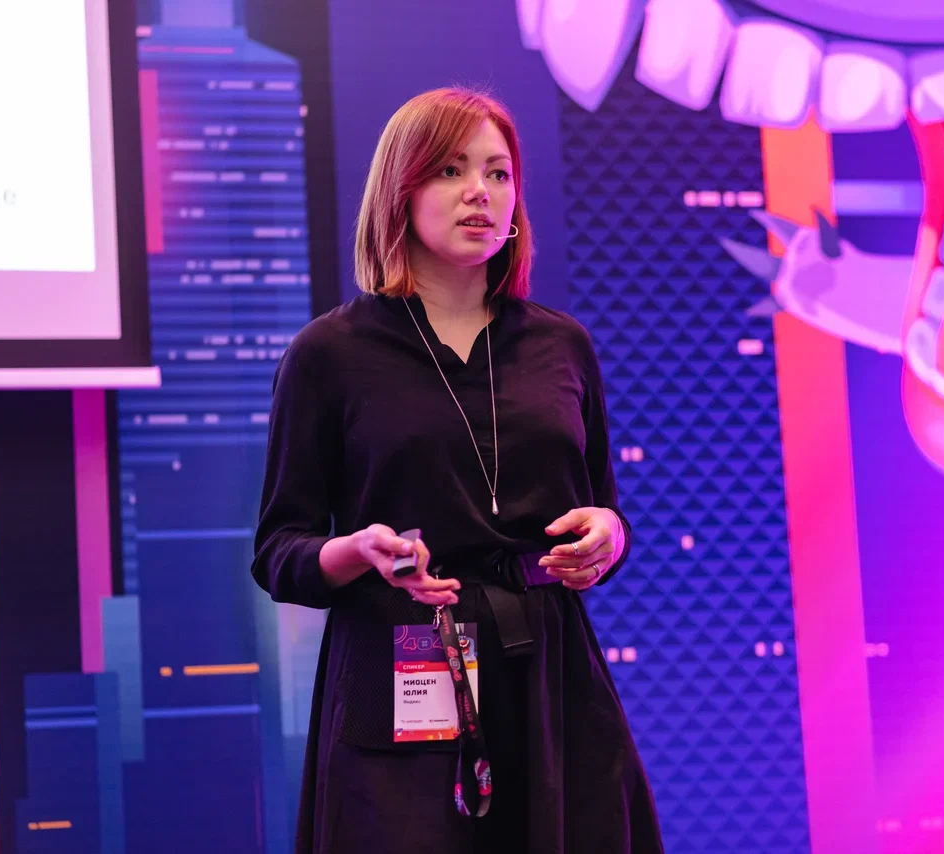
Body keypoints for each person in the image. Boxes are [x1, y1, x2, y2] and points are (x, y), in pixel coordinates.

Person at [251, 86, 664, 854]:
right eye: (450, 169)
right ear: (400, 190)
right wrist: (358, 551)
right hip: (400, 664)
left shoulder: (562, 345)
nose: (479, 191)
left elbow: (606, 512)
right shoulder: (328, 354)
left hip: (549, 675)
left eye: (498, 173)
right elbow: (279, 552)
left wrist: (609, 536)